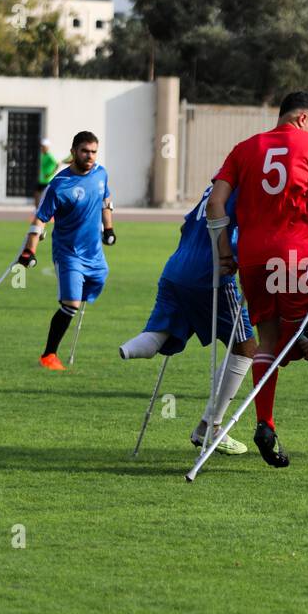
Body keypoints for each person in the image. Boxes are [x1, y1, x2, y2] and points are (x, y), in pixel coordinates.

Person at [205, 91, 308, 468]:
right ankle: (299, 350)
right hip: (294, 255)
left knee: (267, 343)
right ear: (304, 118)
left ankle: (265, 423)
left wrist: (223, 251)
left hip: (252, 257)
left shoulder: (244, 148)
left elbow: (214, 203)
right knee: (301, 343)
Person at [119, 182, 258, 455]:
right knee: (245, 346)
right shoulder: (250, 190)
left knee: (166, 330)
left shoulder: (216, 188)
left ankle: (143, 345)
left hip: (175, 269)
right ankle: (210, 426)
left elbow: (185, 227)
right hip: (211, 276)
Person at [18, 131, 116, 370]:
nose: (90, 156)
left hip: (95, 255)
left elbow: (106, 201)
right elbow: (39, 219)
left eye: (93, 151)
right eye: (85, 151)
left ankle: (74, 296)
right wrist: (29, 251)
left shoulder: (101, 174)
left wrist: (109, 228)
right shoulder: (59, 185)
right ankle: (49, 355)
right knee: (71, 305)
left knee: (98, 281)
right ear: (73, 152)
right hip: (68, 253)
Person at [35, 138, 60, 208]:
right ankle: (37, 210)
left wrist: (50, 174)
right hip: (42, 180)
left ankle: (49, 211)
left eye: (43, 146)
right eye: (41, 146)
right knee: (37, 194)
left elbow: (57, 164)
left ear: (47, 147)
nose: (42, 148)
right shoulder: (42, 155)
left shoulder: (50, 156)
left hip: (48, 181)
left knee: (46, 197)